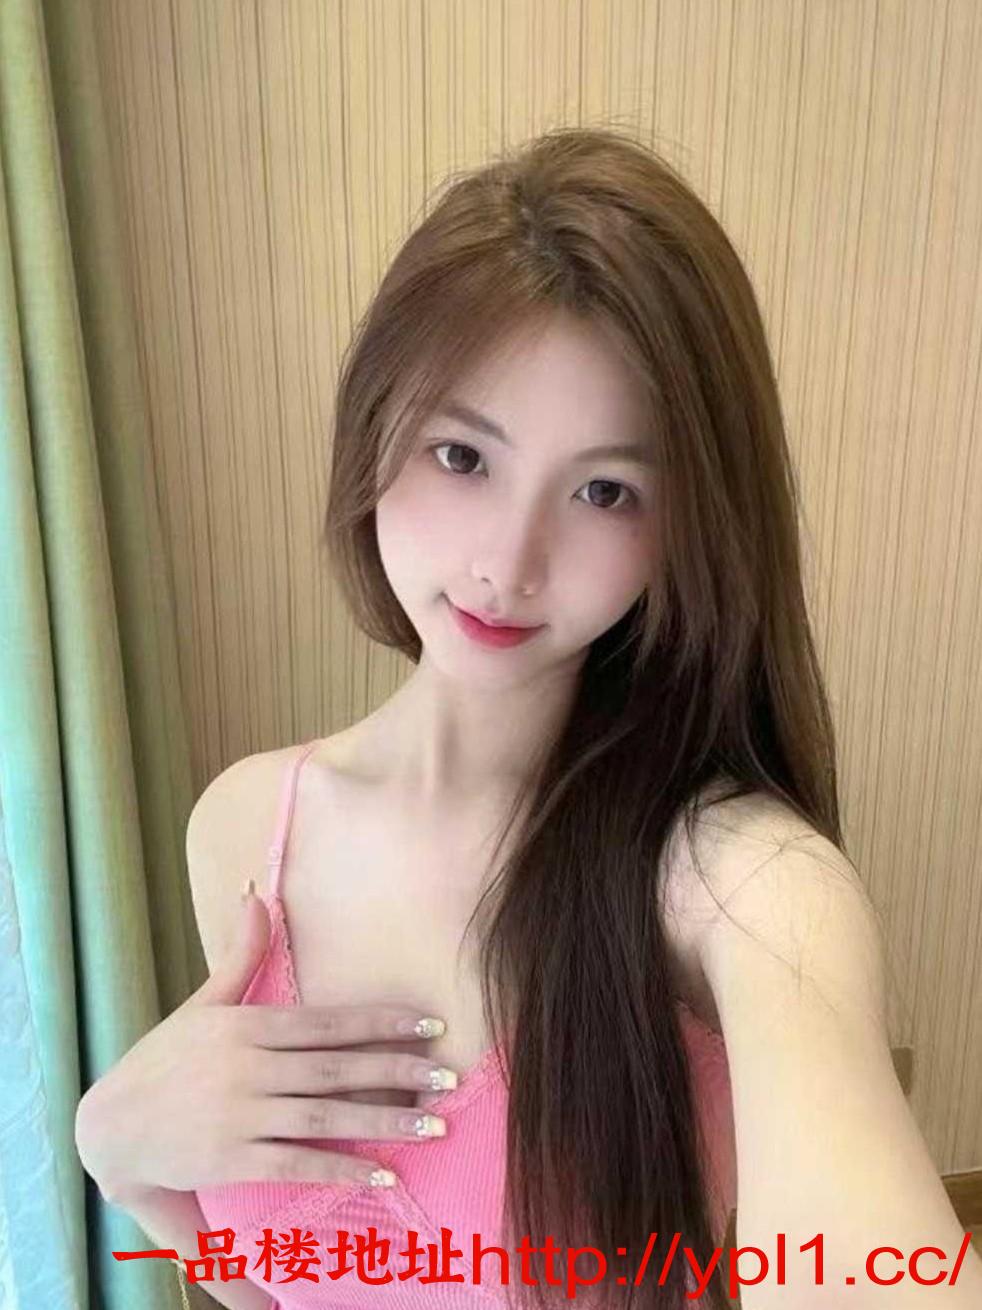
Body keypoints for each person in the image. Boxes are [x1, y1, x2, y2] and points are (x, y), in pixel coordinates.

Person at [75, 126, 982, 1310]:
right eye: (462, 455)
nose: (508, 563)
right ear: (375, 427)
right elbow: (289, 1283)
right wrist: (125, 1160)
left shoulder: (734, 878)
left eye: (604, 490)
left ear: (687, 526)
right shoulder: (247, 829)